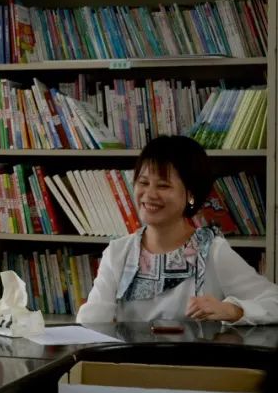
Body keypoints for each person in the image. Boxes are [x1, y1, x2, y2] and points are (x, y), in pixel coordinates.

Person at [76, 135, 278, 325]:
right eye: (143, 182)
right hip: (131, 353)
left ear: (191, 194)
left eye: (163, 186)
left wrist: (233, 310)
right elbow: (93, 321)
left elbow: (273, 302)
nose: (149, 194)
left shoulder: (212, 251)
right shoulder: (118, 252)